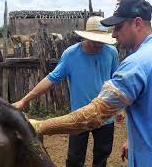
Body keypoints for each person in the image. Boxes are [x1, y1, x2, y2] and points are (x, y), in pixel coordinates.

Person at [28, 0, 152, 166]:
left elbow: (94, 116)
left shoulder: (137, 64)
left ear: (137, 23)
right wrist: (133, 139)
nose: (114, 34)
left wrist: (40, 126)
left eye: (118, 26)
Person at [12, 16, 119, 167]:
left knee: (102, 156)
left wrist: (119, 109)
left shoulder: (111, 53)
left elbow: (117, 81)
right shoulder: (71, 54)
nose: (99, 44)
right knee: (75, 158)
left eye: (102, 41)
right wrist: (25, 100)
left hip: (106, 116)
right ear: (87, 36)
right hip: (78, 117)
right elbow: (51, 79)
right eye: (96, 40)